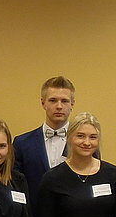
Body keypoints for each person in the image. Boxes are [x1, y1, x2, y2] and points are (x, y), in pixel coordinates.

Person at [13, 76, 76, 205]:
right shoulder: (21, 143)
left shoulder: (85, 144)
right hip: (34, 215)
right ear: (43, 103)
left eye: (64, 101)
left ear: (72, 104)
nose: (59, 106)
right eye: (53, 100)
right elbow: (16, 187)